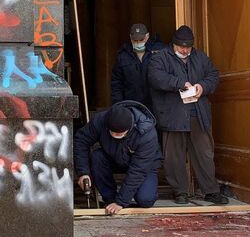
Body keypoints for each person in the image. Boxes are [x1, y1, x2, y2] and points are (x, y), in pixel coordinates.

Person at [148, 25, 228, 205]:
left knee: (204, 153)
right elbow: (155, 77)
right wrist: (179, 83)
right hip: (173, 114)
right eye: (181, 47)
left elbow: (213, 75)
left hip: (198, 114)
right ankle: (180, 191)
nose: (185, 50)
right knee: (174, 156)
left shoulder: (200, 57)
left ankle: (211, 191)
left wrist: (202, 87)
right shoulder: (160, 57)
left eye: (188, 47)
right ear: (173, 44)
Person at [74, 101, 163, 215]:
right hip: (115, 157)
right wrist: (83, 172)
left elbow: (138, 171)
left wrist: (121, 201)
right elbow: (81, 141)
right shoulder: (101, 120)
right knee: (97, 157)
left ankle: (121, 200)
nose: (117, 136)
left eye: (121, 134)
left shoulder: (146, 133)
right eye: (114, 133)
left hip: (144, 166)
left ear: (130, 128)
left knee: (145, 200)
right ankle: (110, 199)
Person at [111, 23, 164, 109]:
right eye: (135, 40)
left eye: (141, 39)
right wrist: (118, 106)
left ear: (147, 36)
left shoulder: (158, 53)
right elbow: (116, 83)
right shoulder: (123, 56)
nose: (138, 42)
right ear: (130, 37)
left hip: (155, 105)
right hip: (132, 105)